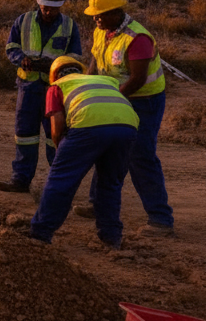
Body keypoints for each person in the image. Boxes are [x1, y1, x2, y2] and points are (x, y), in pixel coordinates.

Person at [79, 0, 174, 236]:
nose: (95, 19)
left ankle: (161, 219)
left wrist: (110, 99)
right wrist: (88, 87)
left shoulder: (137, 38)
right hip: (116, 97)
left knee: (140, 156)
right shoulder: (103, 31)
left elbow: (138, 79)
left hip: (144, 102)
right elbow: (95, 60)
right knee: (107, 147)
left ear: (116, 12)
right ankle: (99, 204)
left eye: (101, 14)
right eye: (94, 15)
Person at [29, 56, 139, 249]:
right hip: (127, 126)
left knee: (61, 182)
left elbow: (57, 127)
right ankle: (111, 238)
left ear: (54, 75)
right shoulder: (104, 80)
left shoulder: (57, 86)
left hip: (87, 125)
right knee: (110, 184)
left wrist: (60, 152)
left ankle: (40, 234)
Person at [0, 0, 83, 192]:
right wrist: (21, 59)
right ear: (39, 3)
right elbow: (11, 46)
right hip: (28, 87)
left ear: (60, 6)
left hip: (55, 89)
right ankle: (20, 180)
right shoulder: (23, 21)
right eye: (45, 8)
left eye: (53, 9)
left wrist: (55, 66)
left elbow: (75, 57)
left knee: (56, 137)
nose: (48, 12)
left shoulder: (70, 26)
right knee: (25, 135)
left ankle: (59, 183)